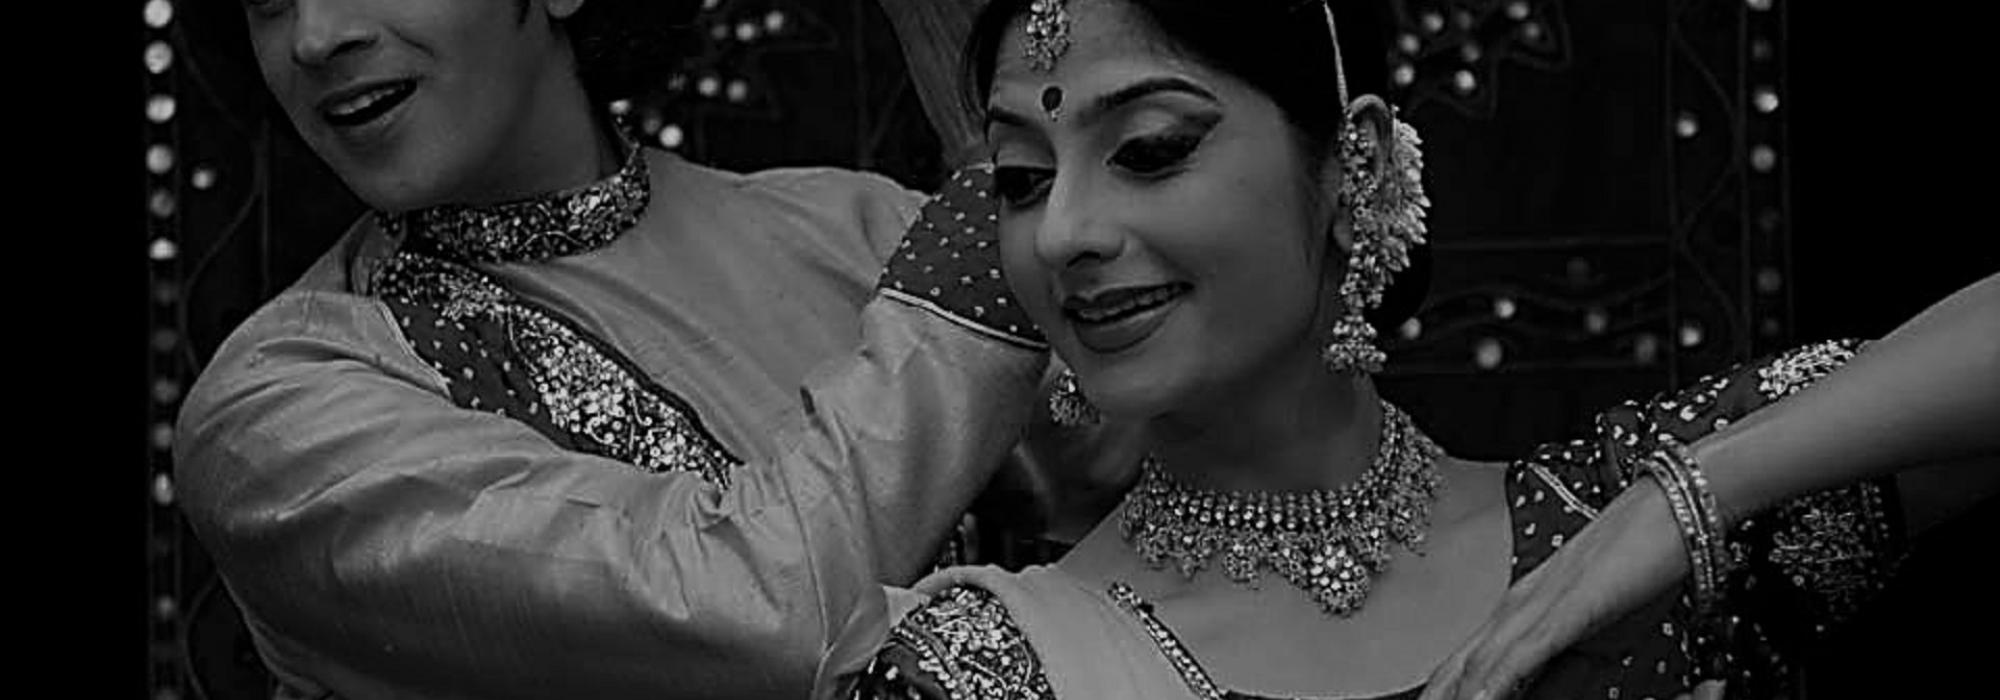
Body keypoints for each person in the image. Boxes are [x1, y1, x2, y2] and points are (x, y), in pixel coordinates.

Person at [844, 1, 2000, 699]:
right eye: (1020, 178)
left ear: (1350, 162)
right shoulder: (981, 666)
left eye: (1146, 149)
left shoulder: (1599, 532)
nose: (1061, 233)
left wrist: (1681, 501)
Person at [172, 0, 1127, 697]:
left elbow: (1144, 475)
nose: (314, 36)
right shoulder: (275, 416)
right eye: (266, 0)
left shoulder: (858, 230)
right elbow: (763, 611)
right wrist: (995, 201)